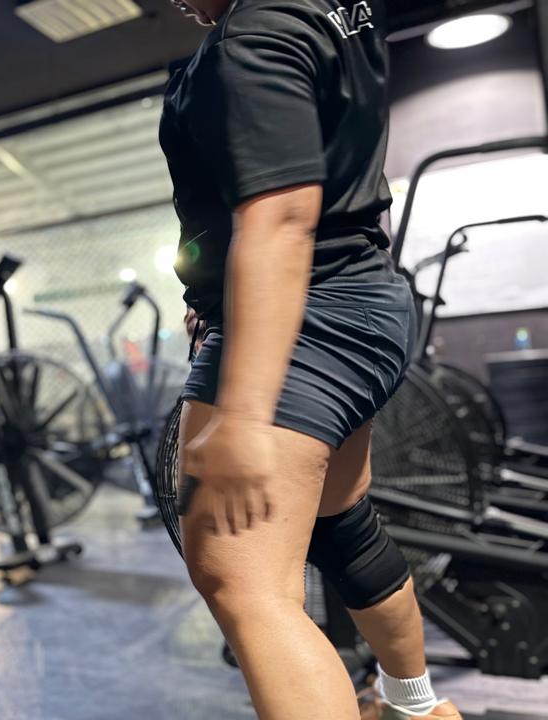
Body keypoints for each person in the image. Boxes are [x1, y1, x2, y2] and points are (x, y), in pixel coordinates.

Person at [160, 2, 458, 719]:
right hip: (358, 296)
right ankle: (417, 709)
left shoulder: (252, 36)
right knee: (340, 523)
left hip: (312, 314)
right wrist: (216, 283)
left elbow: (283, 220)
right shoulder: (328, 9)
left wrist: (245, 413)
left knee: (243, 581)